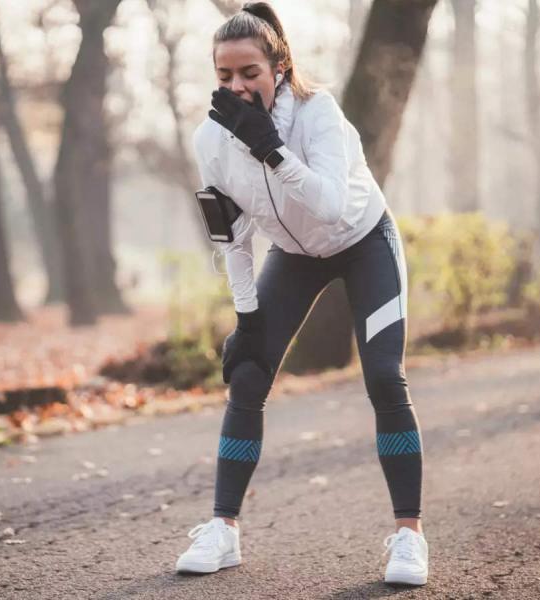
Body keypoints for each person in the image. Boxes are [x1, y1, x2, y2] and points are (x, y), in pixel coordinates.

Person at [175, 2, 428, 586]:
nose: (237, 87)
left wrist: (273, 150)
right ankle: (224, 531)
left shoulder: (319, 113)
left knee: (385, 377)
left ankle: (410, 537)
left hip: (364, 240)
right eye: (224, 76)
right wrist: (247, 317)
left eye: (250, 73)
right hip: (293, 256)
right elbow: (232, 237)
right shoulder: (210, 141)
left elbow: (334, 207)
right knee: (247, 375)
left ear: (279, 67)